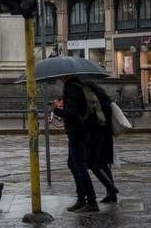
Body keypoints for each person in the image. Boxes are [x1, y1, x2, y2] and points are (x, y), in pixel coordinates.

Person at [53, 75, 98, 213]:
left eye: (61, 76)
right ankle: (81, 199)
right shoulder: (78, 86)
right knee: (72, 164)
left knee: (79, 166)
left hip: (77, 131)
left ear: (67, 76)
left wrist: (56, 110)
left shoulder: (72, 88)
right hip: (79, 130)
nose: (59, 77)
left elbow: (71, 112)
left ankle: (91, 201)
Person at [85, 82, 119, 203]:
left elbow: (92, 121)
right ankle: (111, 194)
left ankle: (111, 189)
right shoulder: (105, 100)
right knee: (104, 165)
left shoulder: (94, 103)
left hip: (97, 137)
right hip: (106, 136)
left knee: (93, 165)